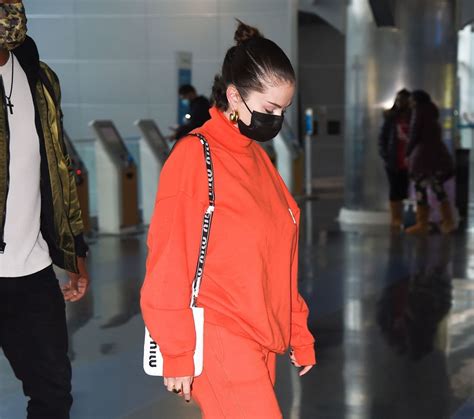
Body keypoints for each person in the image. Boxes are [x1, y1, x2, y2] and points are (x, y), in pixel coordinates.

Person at [141, 21, 315, 418]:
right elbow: (169, 260)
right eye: (270, 108)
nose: (277, 118)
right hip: (220, 335)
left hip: (260, 338)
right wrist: (177, 350)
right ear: (234, 96)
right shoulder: (194, 157)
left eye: (284, 110)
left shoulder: (258, 159)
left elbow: (279, 261)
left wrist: (297, 331)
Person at [0, 2, 90, 418]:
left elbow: (58, 174)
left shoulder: (39, 79)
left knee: (54, 394)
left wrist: (74, 253)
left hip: (32, 272)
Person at [405, 90, 455, 234]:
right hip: (437, 158)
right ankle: (448, 222)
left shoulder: (418, 113)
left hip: (422, 158)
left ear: (416, 101)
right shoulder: (432, 113)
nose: (410, 103)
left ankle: (422, 224)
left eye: (411, 100)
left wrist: (407, 153)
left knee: (420, 188)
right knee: (437, 187)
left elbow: (414, 135)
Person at [378, 89, 411, 230]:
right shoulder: (391, 118)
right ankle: (396, 218)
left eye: (403, 100)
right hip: (394, 160)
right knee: (394, 189)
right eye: (398, 100)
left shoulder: (413, 117)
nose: (400, 103)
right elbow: (382, 139)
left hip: (409, 161)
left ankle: (405, 217)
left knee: (405, 190)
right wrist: (385, 155)